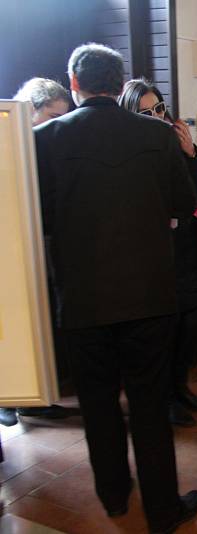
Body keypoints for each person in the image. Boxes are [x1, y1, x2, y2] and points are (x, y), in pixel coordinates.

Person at [34, 43, 197, 532]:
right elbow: (181, 202)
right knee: (150, 406)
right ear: (118, 81)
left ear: (74, 83)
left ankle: (112, 497)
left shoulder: (45, 140)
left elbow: (38, 218)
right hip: (150, 295)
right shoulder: (156, 136)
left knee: (98, 404)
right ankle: (163, 511)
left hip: (84, 298)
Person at [119, 78, 197, 428]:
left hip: (186, 244)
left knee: (195, 320)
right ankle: (167, 398)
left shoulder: (176, 144)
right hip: (154, 252)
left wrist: (191, 156)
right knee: (165, 330)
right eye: (146, 112)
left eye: (159, 108)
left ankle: (180, 385)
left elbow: (195, 196)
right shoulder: (131, 151)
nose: (158, 116)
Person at [0, 77, 73, 428]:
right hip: (10, 249)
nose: (57, 123)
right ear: (30, 111)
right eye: (51, 116)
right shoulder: (8, 140)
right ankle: (8, 396)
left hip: (44, 241)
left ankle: (34, 398)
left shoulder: (52, 147)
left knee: (40, 317)